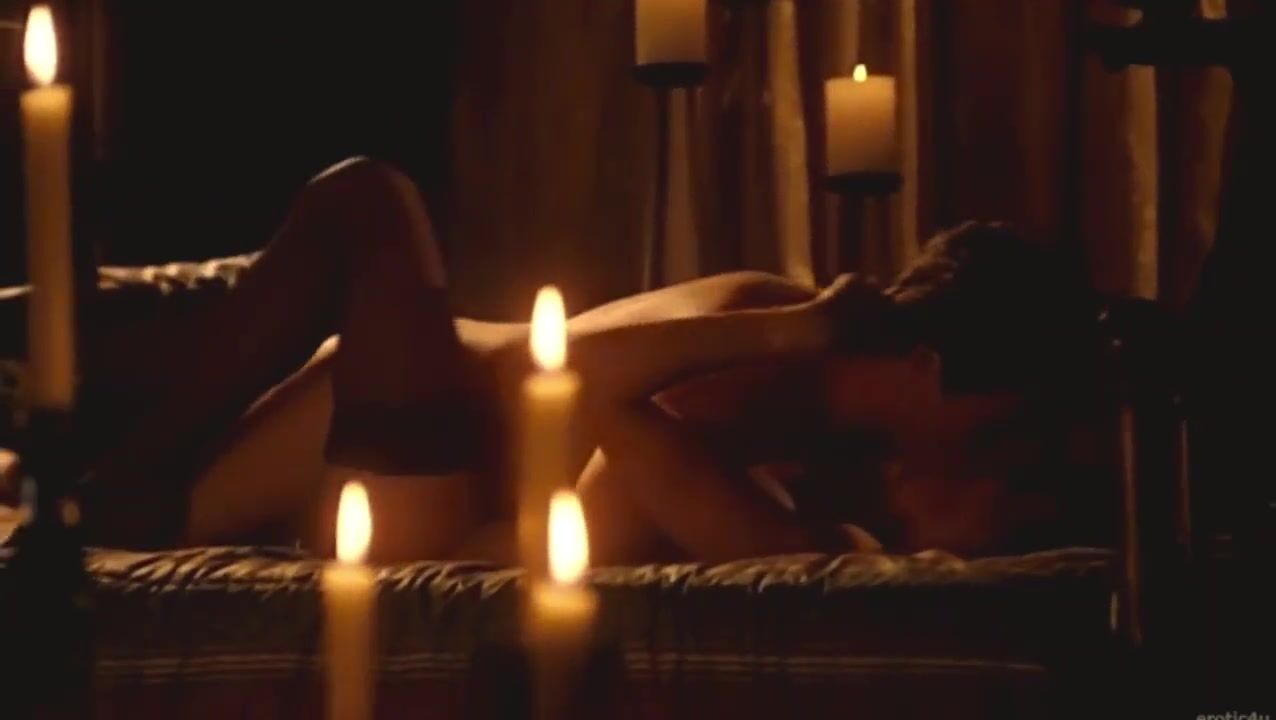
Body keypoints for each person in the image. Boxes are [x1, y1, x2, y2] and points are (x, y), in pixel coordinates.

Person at [28, 157, 1112, 563]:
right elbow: (569, 377)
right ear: (931, 366)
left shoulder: (811, 424)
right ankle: (113, 481)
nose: (994, 453)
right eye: (1000, 421)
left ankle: (120, 487)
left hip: (415, 476)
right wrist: (799, 329)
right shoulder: (765, 343)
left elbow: (580, 504)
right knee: (362, 206)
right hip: (397, 420)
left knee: (367, 204)